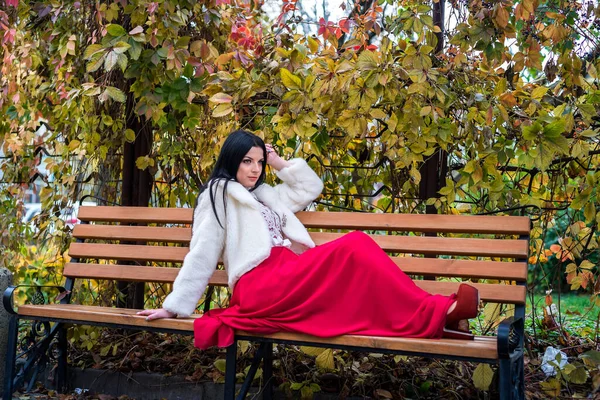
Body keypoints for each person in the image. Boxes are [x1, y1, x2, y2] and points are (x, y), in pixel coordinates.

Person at [137, 130, 480, 349]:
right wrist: (174, 306)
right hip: (259, 283)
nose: (254, 169)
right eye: (247, 161)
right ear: (232, 161)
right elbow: (203, 252)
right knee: (357, 244)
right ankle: (438, 309)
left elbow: (308, 188)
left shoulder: (268, 195)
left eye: (258, 162)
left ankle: (440, 318)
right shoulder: (218, 195)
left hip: (288, 273)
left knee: (355, 274)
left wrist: (277, 160)